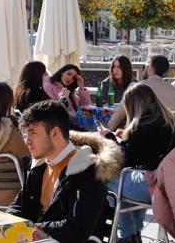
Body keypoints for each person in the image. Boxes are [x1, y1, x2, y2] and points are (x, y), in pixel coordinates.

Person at [8, 100, 122, 243]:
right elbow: (18, 205)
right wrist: (6, 224)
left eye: (32, 132)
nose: (27, 141)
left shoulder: (87, 170)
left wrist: (31, 228)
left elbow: (77, 228)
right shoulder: (38, 165)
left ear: (55, 133)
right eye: (25, 134)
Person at [103, 83, 175, 242]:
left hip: (154, 186)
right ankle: (132, 233)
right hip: (173, 183)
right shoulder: (169, 121)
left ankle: (128, 235)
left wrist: (109, 137)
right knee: (129, 179)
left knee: (109, 176)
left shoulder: (142, 127)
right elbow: (143, 153)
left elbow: (123, 160)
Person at [108, 55, 175, 131]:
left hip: (139, 137)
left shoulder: (135, 88)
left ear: (150, 68)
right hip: (166, 138)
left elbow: (118, 116)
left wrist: (107, 131)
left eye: (145, 67)